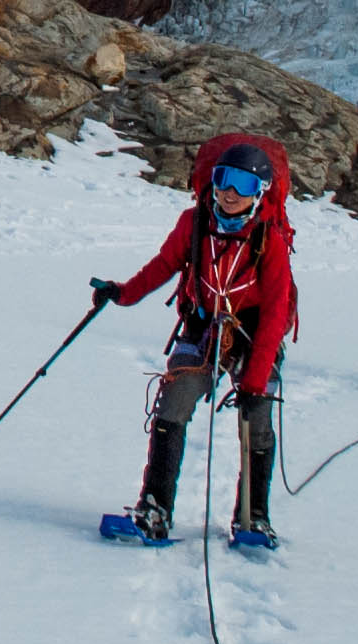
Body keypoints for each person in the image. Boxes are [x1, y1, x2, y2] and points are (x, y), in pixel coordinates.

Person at [92, 132, 297, 549]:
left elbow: (276, 311)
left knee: (256, 417)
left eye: (242, 185)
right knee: (175, 400)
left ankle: (254, 517)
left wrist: (255, 380)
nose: (229, 193)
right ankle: (154, 509)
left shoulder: (269, 239)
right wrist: (124, 293)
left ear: (260, 191)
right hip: (203, 328)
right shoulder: (194, 222)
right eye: (222, 180)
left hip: (254, 333)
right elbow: (164, 265)